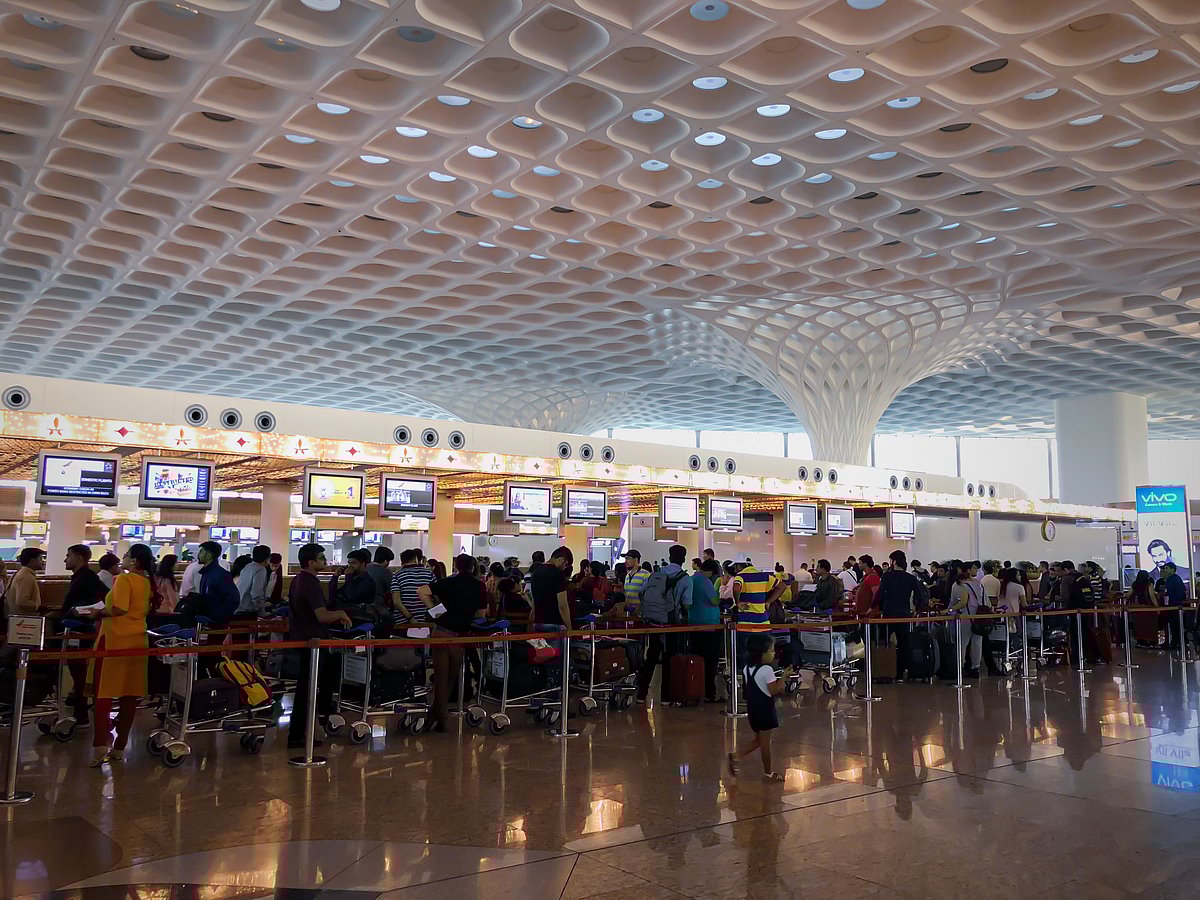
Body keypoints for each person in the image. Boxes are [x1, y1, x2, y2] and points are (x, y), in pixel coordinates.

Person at [81, 543, 158, 766]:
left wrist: (97, 612)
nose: (122, 559)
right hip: (137, 640)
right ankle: (120, 747)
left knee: (104, 694)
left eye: (125, 555)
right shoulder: (146, 581)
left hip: (115, 640)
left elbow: (119, 609)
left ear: (134, 561)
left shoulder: (124, 579)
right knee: (129, 695)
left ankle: (99, 747)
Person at [286, 543, 352, 749]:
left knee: (306, 689)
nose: (325, 561)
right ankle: (299, 735)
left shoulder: (298, 580)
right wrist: (340, 614)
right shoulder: (310, 583)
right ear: (310, 561)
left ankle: (300, 733)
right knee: (308, 690)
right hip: (313, 641)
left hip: (303, 638)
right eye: (321, 557)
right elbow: (321, 615)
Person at [417, 554, 488, 732]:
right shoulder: (479, 586)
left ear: (456, 566)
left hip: (441, 631)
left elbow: (422, 591)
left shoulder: (449, 582)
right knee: (450, 679)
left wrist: (435, 610)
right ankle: (437, 718)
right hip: (460, 636)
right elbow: (481, 614)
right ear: (473, 567)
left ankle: (439, 720)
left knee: (441, 678)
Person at [636, 544, 694, 703]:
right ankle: (666, 698)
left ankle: (641, 695)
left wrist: (651, 608)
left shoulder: (656, 574)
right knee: (669, 658)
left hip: (654, 622)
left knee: (651, 656)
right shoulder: (685, 579)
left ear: (669, 558)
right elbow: (687, 603)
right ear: (684, 559)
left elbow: (641, 592)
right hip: (671, 624)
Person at [59, 544, 108, 725]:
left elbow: (107, 598)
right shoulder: (81, 577)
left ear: (79, 557)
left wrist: (87, 611)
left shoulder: (87, 578)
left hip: (80, 631)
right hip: (75, 630)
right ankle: (79, 708)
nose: (65, 559)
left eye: (68, 555)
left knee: (79, 671)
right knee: (77, 671)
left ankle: (81, 714)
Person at [727, 633, 784, 782]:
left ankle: (736, 756)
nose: (774, 653)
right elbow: (774, 690)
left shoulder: (747, 668)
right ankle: (768, 773)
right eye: (771, 651)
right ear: (762, 653)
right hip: (766, 711)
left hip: (753, 709)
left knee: (759, 739)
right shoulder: (767, 670)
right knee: (766, 743)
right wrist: (784, 678)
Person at [877, 550, 920, 682]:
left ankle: (884, 671)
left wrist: (873, 608)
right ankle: (900, 674)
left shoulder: (887, 577)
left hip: (889, 614)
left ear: (894, 561)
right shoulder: (911, 578)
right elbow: (919, 595)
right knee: (903, 644)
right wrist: (916, 610)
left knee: (884, 642)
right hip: (904, 614)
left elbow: (879, 595)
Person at [732, 556, 783, 666]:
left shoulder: (741, 576)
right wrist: (769, 601)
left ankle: (746, 679)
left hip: (745, 625)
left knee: (745, 657)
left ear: (739, 566)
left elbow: (736, 588)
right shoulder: (764, 575)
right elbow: (782, 586)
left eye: (735, 567)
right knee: (763, 657)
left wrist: (738, 603)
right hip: (763, 624)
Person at [690, 558, 723, 702]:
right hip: (709, 625)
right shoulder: (705, 581)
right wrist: (719, 592)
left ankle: (696, 691)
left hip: (694, 623)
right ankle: (710, 693)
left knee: (697, 660)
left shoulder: (692, 579)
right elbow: (714, 601)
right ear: (710, 571)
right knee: (710, 662)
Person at [947, 561, 984, 679]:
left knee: (962, 643)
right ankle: (975, 668)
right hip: (978, 616)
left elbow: (956, 602)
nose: (976, 571)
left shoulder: (958, 585)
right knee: (977, 643)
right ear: (968, 570)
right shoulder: (978, 584)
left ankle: (960, 667)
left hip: (965, 616)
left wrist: (950, 610)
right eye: (974, 568)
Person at [191, 541, 240, 623]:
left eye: (201, 551)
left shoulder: (220, 575)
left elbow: (234, 599)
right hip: (208, 619)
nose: (198, 554)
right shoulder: (207, 573)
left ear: (209, 555)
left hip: (216, 622)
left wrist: (218, 616)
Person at [531, 546, 574, 627]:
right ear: (561, 559)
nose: (564, 568)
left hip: (538, 623)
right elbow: (563, 606)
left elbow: (535, 603)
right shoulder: (558, 574)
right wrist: (569, 628)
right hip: (555, 625)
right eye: (565, 565)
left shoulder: (536, 572)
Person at [391, 548, 434, 627]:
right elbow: (436, 597)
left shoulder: (397, 575)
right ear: (415, 559)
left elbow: (397, 602)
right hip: (426, 621)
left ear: (402, 562)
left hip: (402, 622)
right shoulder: (429, 574)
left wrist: (411, 619)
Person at [5, 546, 45, 617]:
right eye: (40, 559)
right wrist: (37, 607)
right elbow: (22, 602)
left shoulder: (21, 573)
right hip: (24, 619)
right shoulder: (26, 577)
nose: (43, 562)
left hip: (18, 618)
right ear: (32, 561)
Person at [235, 545, 271, 617]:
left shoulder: (248, 567)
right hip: (247, 611)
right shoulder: (260, 569)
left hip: (238, 607)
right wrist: (262, 612)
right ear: (266, 558)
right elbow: (256, 593)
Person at [1161, 561, 1188, 654]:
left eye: (1166, 568)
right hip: (1178, 605)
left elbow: (1169, 593)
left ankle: (1175, 643)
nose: (1164, 570)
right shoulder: (1177, 578)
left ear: (1173, 569)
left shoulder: (1171, 579)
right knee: (1177, 625)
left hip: (1173, 605)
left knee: (1174, 625)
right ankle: (1180, 642)